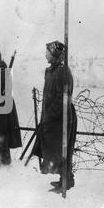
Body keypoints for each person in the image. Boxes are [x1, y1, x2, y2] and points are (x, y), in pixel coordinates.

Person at [31, 41, 77, 193]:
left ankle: (66, 181)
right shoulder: (50, 71)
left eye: (47, 52)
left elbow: (62, 98)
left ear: (54, 54)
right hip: (52, 118)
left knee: (62, 150)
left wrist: (50, 114)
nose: (45, 55)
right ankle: (63, 179)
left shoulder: (63, 72)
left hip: (60, 119)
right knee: (55, 151)